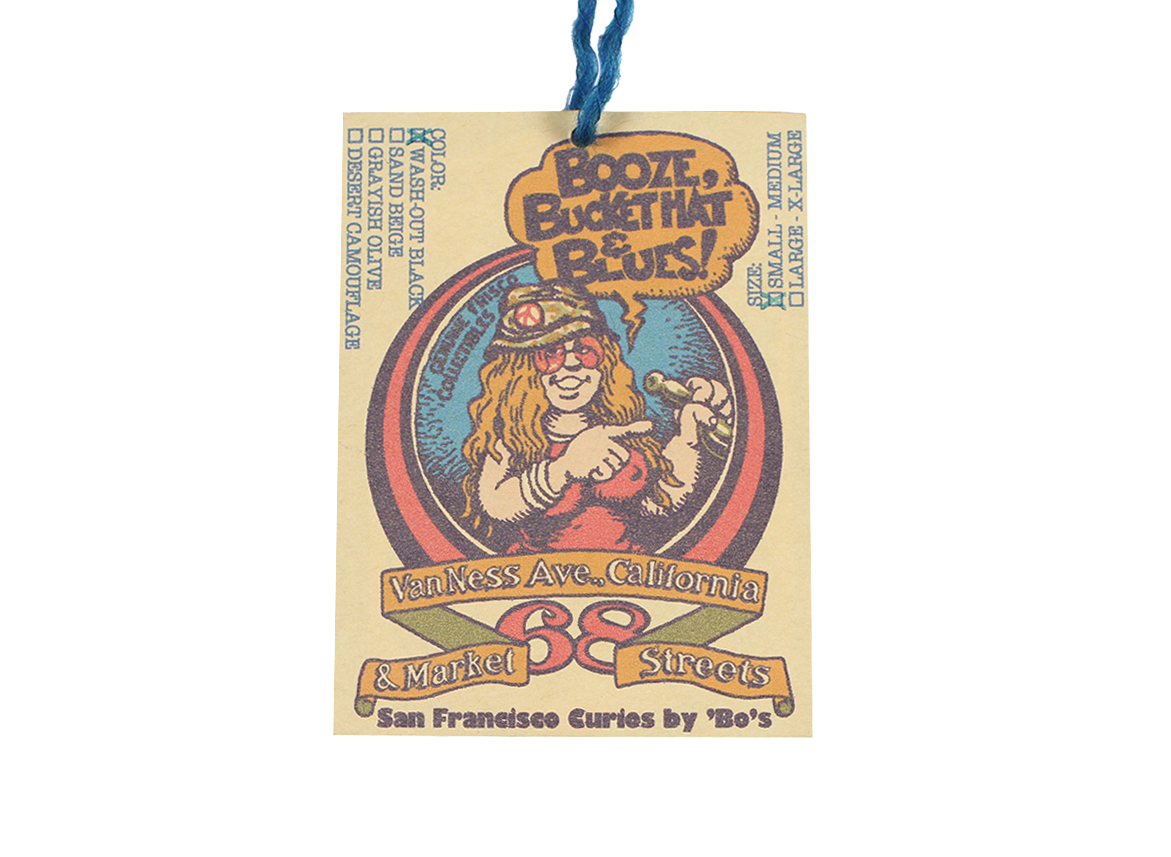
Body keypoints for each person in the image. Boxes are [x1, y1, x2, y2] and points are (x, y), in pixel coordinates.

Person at [461, 279, 731, 552]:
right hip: (535, 571)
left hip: (628, 570)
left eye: (584, 350)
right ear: (522, 370)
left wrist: (687, 439)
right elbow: (496, 505)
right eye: (552, 353)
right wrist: (564, 468)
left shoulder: (621, 430)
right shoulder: (512, 437)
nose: (571, 364)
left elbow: (659, 503)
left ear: (605, 360)